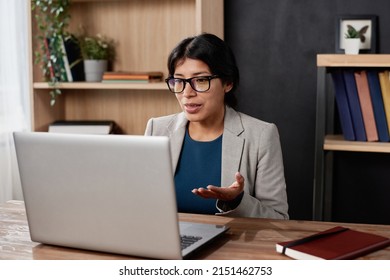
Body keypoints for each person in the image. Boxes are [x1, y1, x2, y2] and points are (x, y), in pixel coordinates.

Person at [145, 33, 288, 219]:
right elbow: (144, 205)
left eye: (201, 80)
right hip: (167, 243)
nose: (187, 93)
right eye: (179, 81)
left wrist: (237, 201)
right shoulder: (157, 129)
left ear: (227, 83)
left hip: (230, 245)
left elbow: (278, 219)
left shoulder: (261, 135)